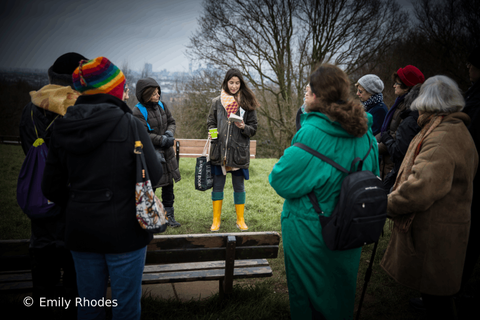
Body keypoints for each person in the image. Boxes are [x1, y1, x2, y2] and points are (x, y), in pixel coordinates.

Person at [42, 57, 162, 320]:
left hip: (81, 231)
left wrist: (80, 201)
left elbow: (50, 186)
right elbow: (155, 174)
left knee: (89, 307)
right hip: (126, 232)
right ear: (114, 90)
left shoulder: (62, 125)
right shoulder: (131, 124)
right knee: (126, 309)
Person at [269, 64, 379, 319]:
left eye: (308, 92)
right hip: (352, 230)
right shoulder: (365, 133)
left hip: (312, 232)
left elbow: (281, 179)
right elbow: (372, 175)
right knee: (340, 295)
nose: (305, 96)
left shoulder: (313, 133)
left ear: (318, 97)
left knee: (309, 300)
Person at [380, 75, 478, 320]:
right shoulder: (454, 129)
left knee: (439, 302)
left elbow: (421, 188)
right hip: (447, 227)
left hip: (440, 233)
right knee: (438, 298)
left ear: (429, 104)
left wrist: (385, 204)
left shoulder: (442, 137)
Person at [18, 52, 85, 318]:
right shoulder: (80, 109)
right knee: (74, 282)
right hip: (74, 208)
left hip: (40, 202)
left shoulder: (30, 107)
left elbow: (29, 149)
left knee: (43, 283)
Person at [207, 68, 258, 231]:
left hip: (238, 151)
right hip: (220, 151)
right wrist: (213, 135)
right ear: (226, 83)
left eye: (237, 83)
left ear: (241, 83)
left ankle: (240, 220)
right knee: (218, 186)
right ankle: (216, 221)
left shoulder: (247, 102)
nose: (234, 86)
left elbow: (254, 128)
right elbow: (211, 122)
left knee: (239, 186)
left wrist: (244, 127)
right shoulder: (216, 102)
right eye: (231, 82)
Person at [133, 78, 181, 227]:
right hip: (151, 154)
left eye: (158, 92)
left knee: (168, 187)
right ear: (145, 95)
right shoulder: (137, 111)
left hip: (167, 153)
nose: (158, 95)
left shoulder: (162, 105)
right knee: (151, 186)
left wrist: (168, 134)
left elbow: (172, 122)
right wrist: (161, 140)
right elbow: (143, 133)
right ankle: (151, 217)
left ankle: (169, 217)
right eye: (154, 94)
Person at [377, 65, 425, 179]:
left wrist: (374, 148)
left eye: (397, 83)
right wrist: (373, 141)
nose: (394, 85)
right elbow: (387, 130)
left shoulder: (409, 108)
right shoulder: (398, 103)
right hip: (387, 158)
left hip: (393, 162)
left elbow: (398, 136)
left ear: (407, 86)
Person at [459, 46, 480, 299]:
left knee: (468, 234)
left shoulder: (477, 98)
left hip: (473, 173)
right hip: (470, 171)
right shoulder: (473, 93)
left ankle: (451, 290)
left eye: (472, 63)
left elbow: (471, 137)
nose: (468, 67)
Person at [379, 83, 422, 193]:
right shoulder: (415, 119)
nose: (394, 85)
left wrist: (384, 139)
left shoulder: (409, 122)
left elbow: (398, 151)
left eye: (397, 83)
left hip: (399, 169)